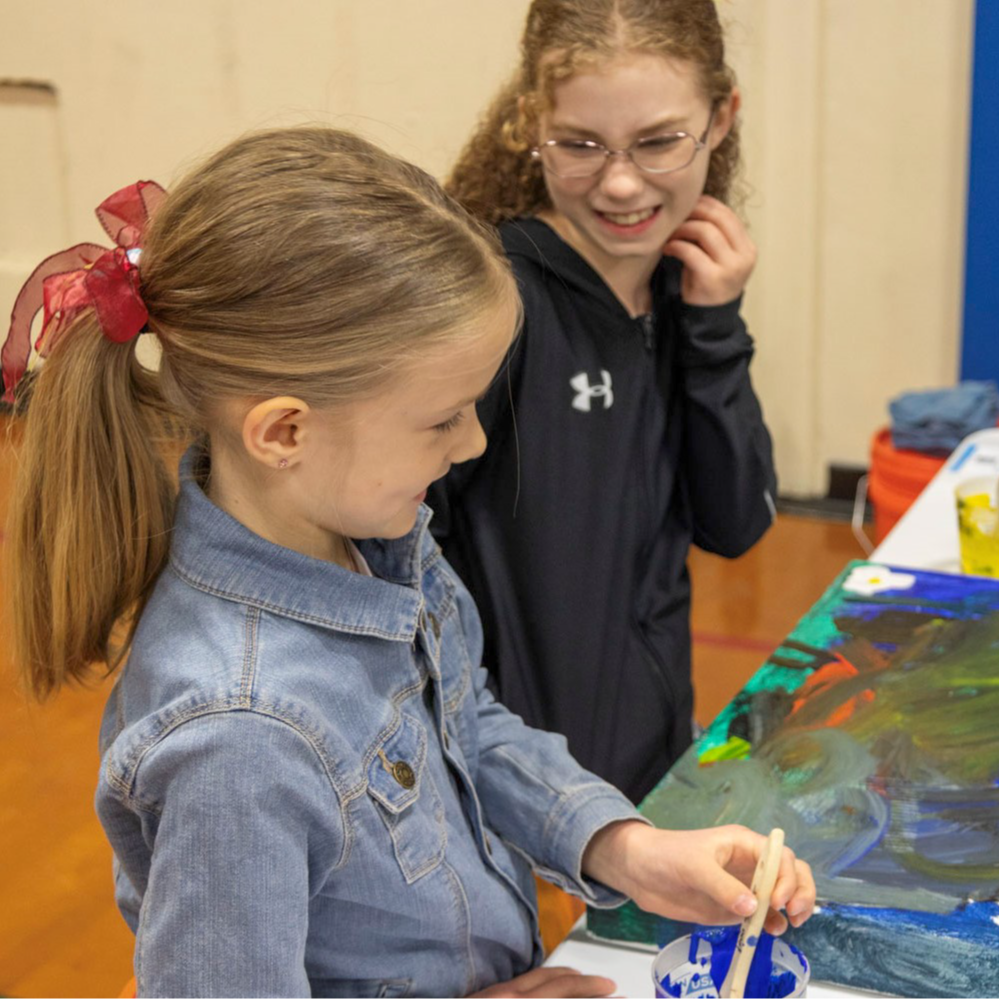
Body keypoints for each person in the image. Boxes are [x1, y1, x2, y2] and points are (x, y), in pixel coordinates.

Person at [3, 126, 812, 998]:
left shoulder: (373, 535)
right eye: (443, 417)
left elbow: (465, 725)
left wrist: (622, 846)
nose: (470, 444)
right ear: (284, 431)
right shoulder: (238, 741)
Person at [432, 0, 777, 806]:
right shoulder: (495, 302)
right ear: (530, 122)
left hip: (646, 761)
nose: (621, 183)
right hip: (509, 785)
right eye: (580, 144)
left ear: (721, 117)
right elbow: (405, 555)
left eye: (659, 141)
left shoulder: (683, 290)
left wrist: (713, 327)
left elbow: (736, 523)